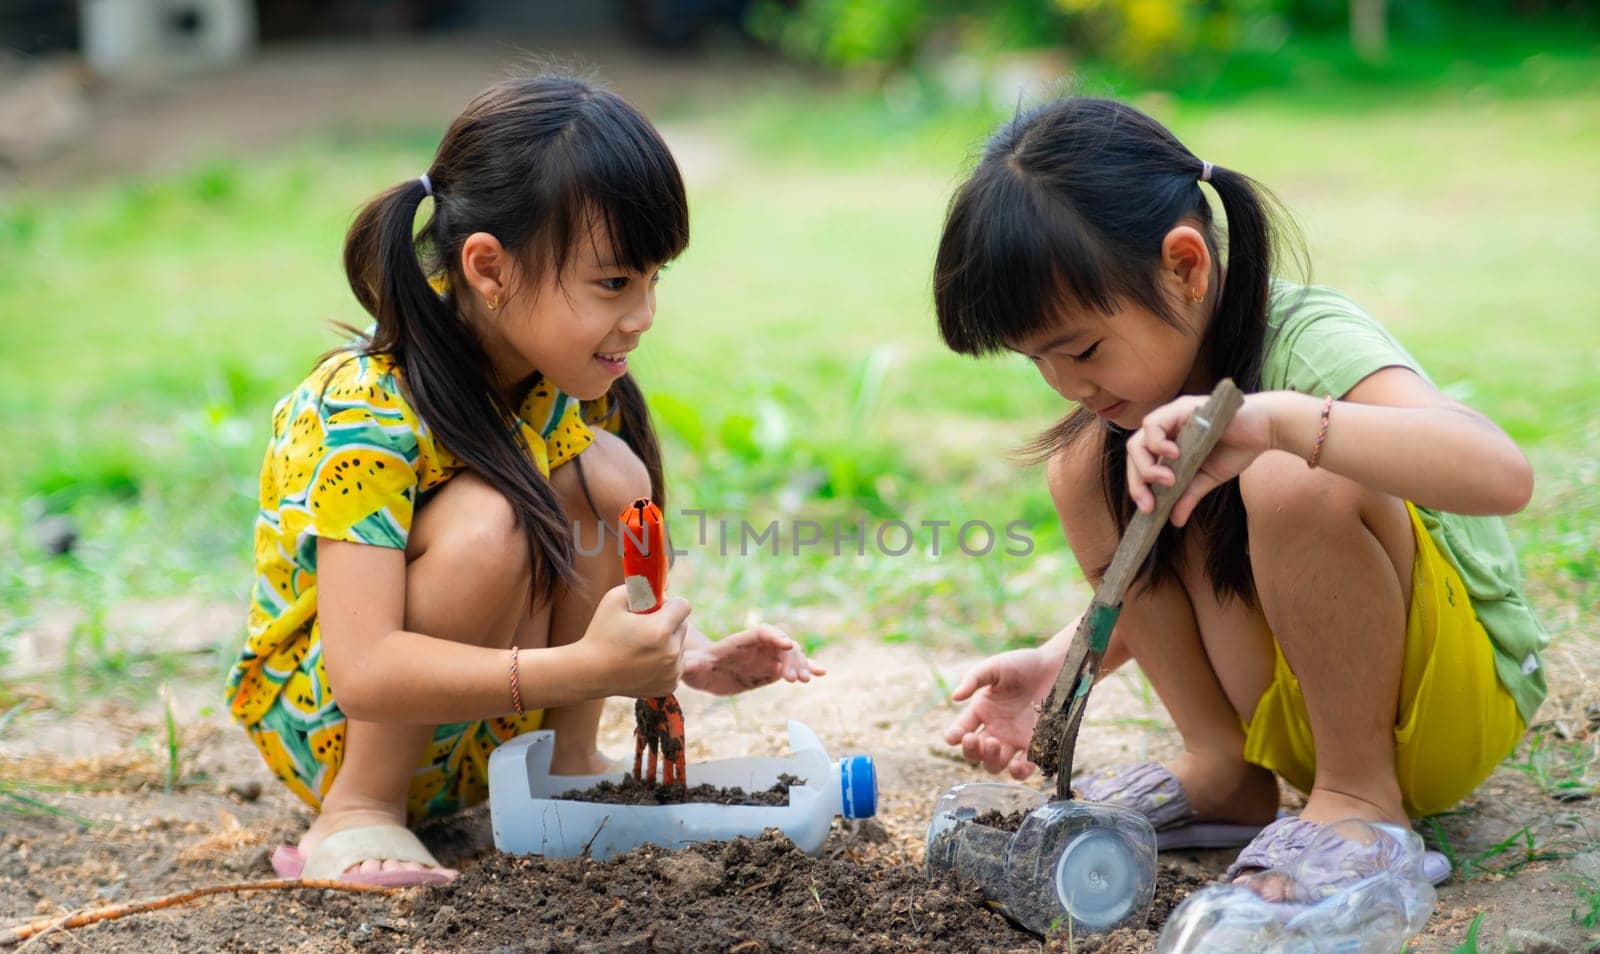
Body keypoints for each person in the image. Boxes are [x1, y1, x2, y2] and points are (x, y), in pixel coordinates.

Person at [932, 96, 1546, 892]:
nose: (1066, 383)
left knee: (1291, 473)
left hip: (1450, 703)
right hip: (1296, 714)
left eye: (1081, 347)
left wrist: (1282, 423)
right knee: (1083, 463)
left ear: (1185, 267)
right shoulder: (1130, 402)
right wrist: (1059, 661)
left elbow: (1503, 473)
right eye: (1037, 360)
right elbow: (1167, 572)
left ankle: (1363, 801)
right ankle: (1224, 769)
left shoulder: (1309, 341)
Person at [225, 75, 822, 886]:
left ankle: (570, 767)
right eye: (614, 283)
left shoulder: (546, 382)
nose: (643, 315)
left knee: (610, 474)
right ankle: (359, 813)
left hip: (482, 721)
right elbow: (363, 671)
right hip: (334, 720)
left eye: (654, 280)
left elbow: (593, 545)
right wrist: (588, 667)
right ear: (487, 268)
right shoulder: (366, 411)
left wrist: (682, 655)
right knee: (493, 521)